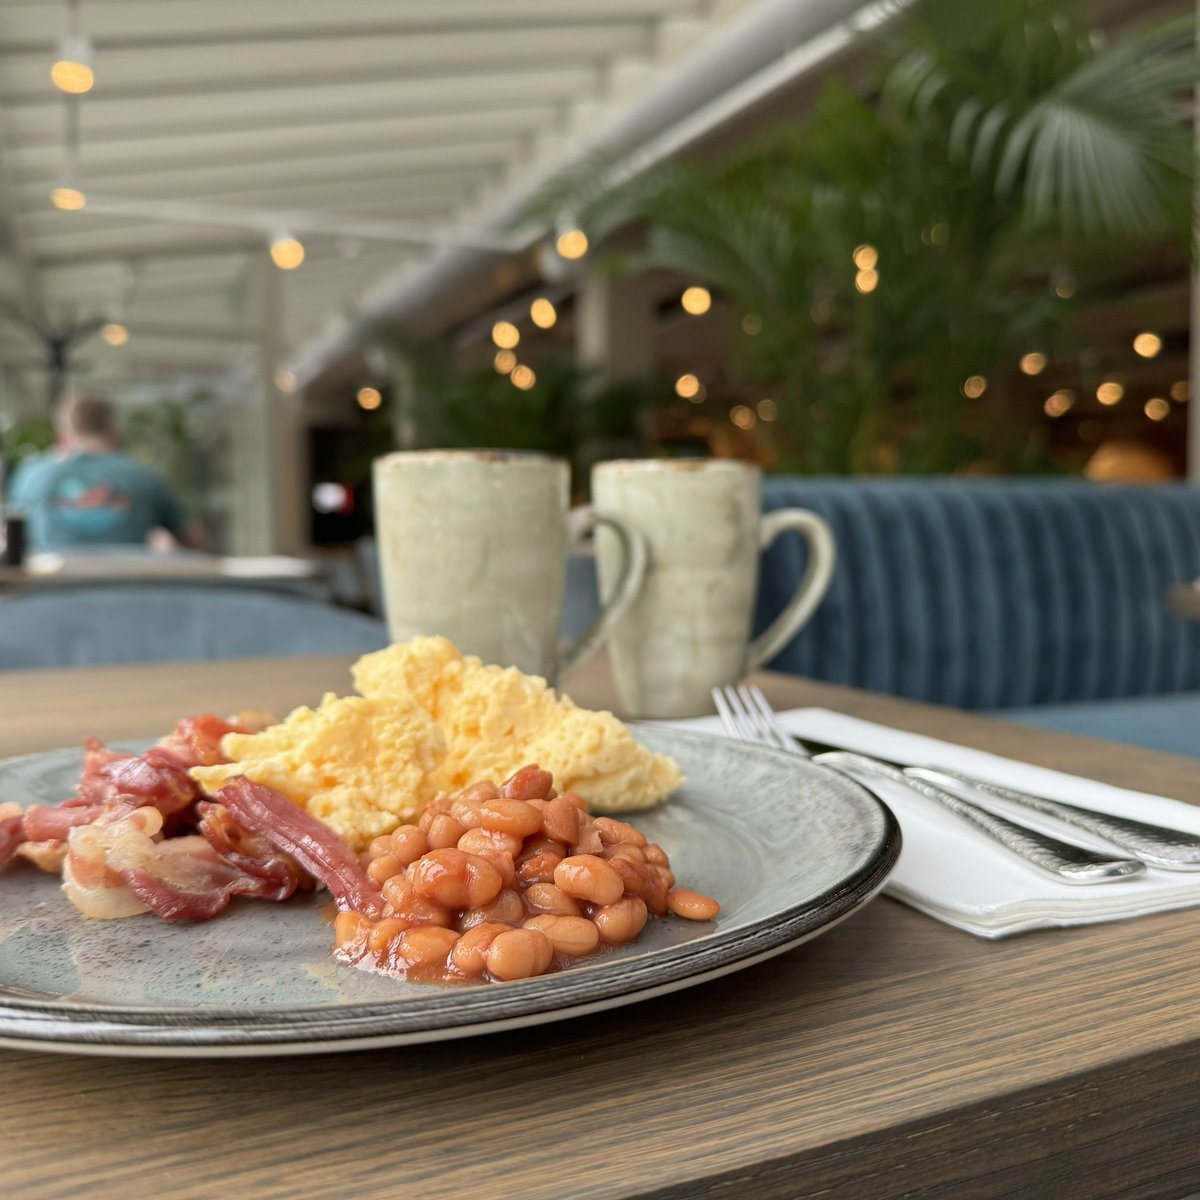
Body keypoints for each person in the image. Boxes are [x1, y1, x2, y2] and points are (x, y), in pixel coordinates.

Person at [5, 392, 210, 553]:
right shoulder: (145, 477)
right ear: (113, 430)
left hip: (48, 595)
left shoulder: (31, 475)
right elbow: (197, 544)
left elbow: (9, 539)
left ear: (64, 434)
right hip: (125, 593)